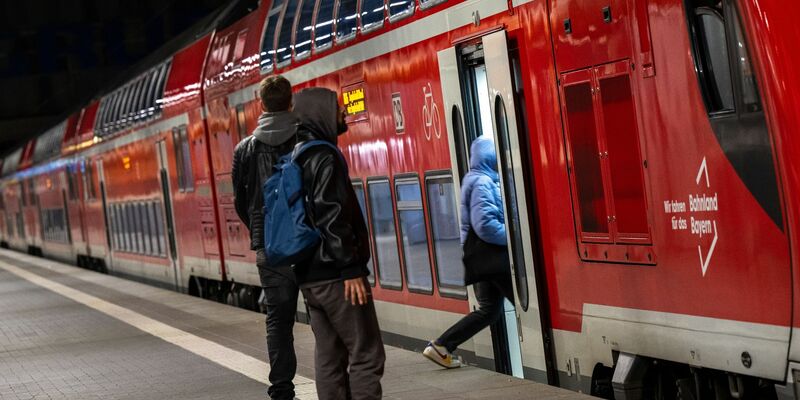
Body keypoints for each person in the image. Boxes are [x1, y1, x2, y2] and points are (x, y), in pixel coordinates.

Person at [291, 87, 385, 399]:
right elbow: (331, 215)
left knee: (329, 357)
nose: (343, 114)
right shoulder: (324, 156)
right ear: (320, 113)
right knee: (366, 354)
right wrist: (351, 269)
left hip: (309, 274)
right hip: (336, 275)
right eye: (337, 109)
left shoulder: (296, 155)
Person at [231, 75, 300, 400]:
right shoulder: (307, 138)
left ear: (261, 105)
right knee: (324, 317)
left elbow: (240, 203)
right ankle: (333, 385)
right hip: (309, 246)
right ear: (290, 101)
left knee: (278, 320)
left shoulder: (244, 150)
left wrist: (261, 231)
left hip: (269, 249)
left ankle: (282, 390)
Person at [422, 135, 513, 369]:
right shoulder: (483, 182)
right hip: (492, 257)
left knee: (489, 311)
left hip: (482, 260)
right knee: (529, 301)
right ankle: (441, 345)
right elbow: (484, 225)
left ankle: (441, 346)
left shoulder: (476, 178)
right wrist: (513, 238)